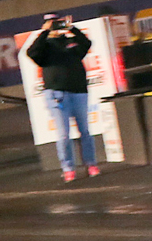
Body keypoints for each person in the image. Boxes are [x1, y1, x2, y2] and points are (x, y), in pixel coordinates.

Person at [26, 15, 98, 182]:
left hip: (78, 91)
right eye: (53, 23)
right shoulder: (44, 46)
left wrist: (71, 28)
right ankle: (68, 168)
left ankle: (91, 164)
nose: (56, 26)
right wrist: (45, 32)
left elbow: (87, 43)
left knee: (85, 131)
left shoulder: (71, 41)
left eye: (57, 22)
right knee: (64, 134)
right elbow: (32, 53)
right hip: (56, 94)